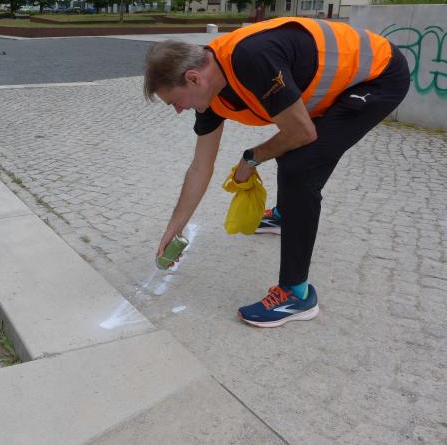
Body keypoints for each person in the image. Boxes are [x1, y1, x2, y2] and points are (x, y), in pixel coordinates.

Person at [144, 17, 409, 327]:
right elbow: (200, 167)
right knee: (292, 154)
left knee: (300, 167)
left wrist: (251, 158)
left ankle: (296, 295)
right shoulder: (210, 95)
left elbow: (302, 132)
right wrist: (174, 229)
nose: (178, 110)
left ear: (193, 79)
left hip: (379, 76)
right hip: (339, 85)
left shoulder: (252, 59)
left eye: (175, 102)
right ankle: (286, 215)